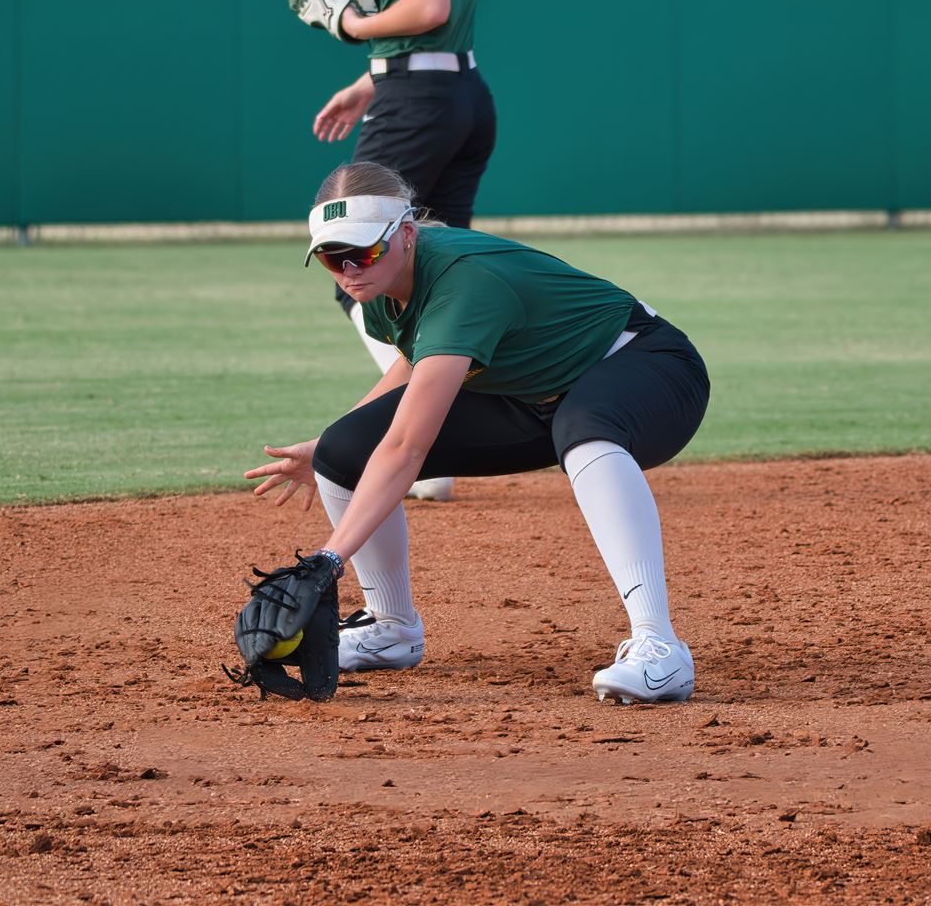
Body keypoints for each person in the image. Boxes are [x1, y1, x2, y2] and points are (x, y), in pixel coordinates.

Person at [246, 162, 711, 704]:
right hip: (529, 395)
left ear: (407, 233)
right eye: (332, 256)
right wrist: (327, 446)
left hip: (648, 370)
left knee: (586, 429)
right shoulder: (379, 288)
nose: (349, 268)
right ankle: (391, 629)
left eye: (364, 251)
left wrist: (327, 561)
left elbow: (407, 447)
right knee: (347, 450)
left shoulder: (464, 281)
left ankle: (660, 647)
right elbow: (417, 365)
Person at [309, 0, 498, 501]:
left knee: (360, 271)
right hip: (462, 96)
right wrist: (370, 80)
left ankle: (418, 443)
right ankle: (441, 443)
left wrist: (350, 27)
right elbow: (446, 25)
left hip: (422, 102)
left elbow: (428, 5)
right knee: (436, 271)